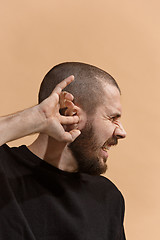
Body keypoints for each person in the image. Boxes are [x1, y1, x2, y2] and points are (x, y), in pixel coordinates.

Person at [0, 62, 126, 240]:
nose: (121, 132)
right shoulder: (3, 171)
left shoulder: (107, 197)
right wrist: (34, 119)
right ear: (68, 111)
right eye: (112, 118)